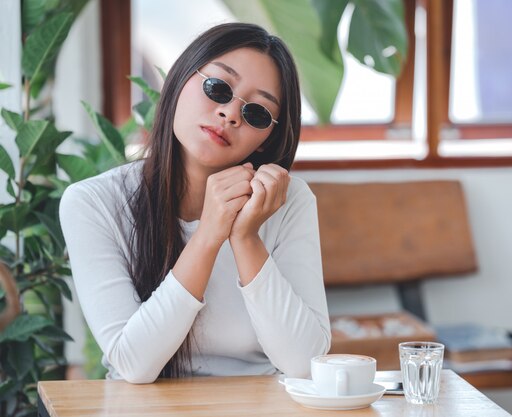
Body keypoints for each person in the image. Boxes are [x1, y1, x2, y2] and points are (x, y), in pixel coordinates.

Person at [59, 22, 331, 384]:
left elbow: (306, 363)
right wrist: (209, 235)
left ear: (267, 139)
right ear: (178, 81)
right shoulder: (92, 202)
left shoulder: (289, 202)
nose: (230, 114)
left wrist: (246, 238)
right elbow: (134, 365)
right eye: (218, 88)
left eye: (257, 113)